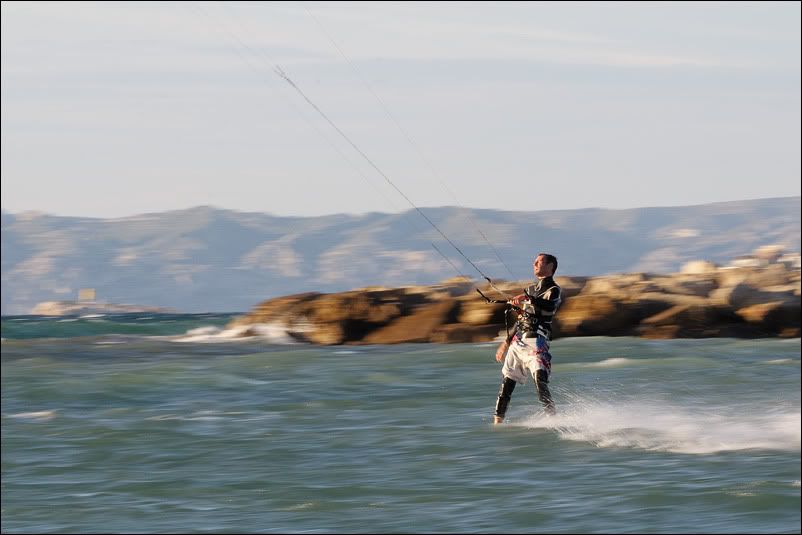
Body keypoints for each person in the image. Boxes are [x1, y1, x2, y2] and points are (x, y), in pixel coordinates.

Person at [493, 253, 562, 423]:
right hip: (519, 342)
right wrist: (505, 343)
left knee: (540, 381)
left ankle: (553, 419)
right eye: (535, 261)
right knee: (506, 385)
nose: (534, 264)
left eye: (539, 262)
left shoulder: (553, 290)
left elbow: (549, 305)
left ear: (550, 266)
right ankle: (497, 424)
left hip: (537, 342)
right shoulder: (531, 289)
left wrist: (526, 299)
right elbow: (522, 319)